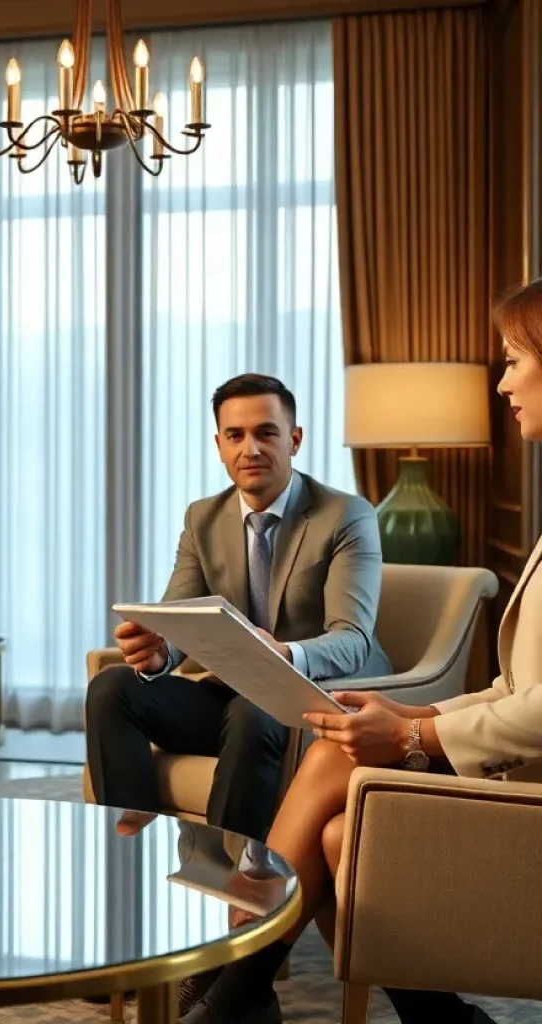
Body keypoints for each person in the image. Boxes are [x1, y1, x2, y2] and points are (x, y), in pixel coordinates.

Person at [177, 280, 542, 1024]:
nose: (503, 383)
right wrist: (414, 715)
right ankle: (435, 1018)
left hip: (526, 792)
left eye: (512, 360)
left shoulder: (345, 513)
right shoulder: (204, 515)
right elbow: (517, 686)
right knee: (341, 828)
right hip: (508, 755)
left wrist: (411, 737)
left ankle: (233, 992)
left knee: (334, 779)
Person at [86, 373, 391, 845]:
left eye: (266, 433)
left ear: (294, 439)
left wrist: (282, 656)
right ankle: (131, 844)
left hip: (312, 696)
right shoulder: (202, 518)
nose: (251, 449)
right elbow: (179, 618)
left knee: (254, 709)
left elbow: (353, 640)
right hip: (231, 696)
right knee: (112, 688)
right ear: (219, 445)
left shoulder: (346, 515)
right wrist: (159, 652)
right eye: (235, 435)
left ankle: (231, 864)